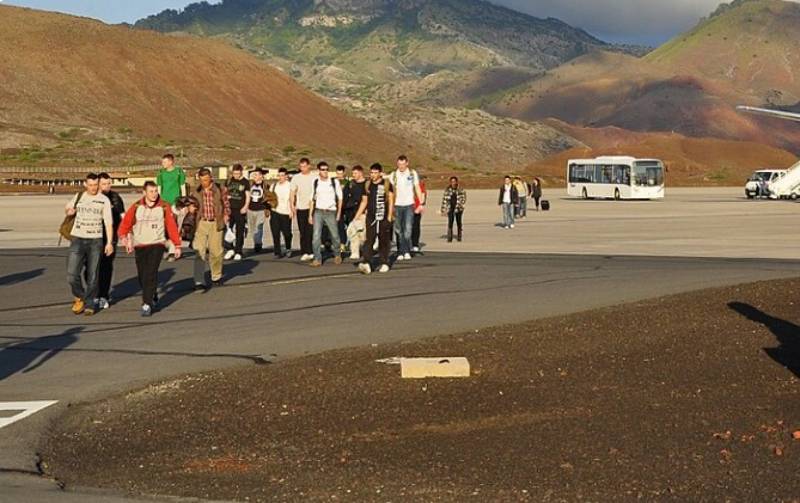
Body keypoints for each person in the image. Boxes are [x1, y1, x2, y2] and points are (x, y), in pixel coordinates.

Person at [118, 182, 182, 317]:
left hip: (157, 243)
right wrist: (124, 238)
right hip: (140, 245)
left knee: (151, 272)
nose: (154, 194)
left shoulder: (164, 206)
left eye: (155, 191)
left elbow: (171, 227)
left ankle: (146, 304)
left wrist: (177, 245)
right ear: (144, 192)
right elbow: (125, 224)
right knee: (142, 275)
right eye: (151, 191)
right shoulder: (136, 206)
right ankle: (152, 294)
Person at [65, 173, 115, 316]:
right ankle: (80, 296)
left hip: (95, 240)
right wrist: (70, 211)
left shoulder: (103, 200)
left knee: (93, 275)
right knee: (71, 274)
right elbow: (68, 208)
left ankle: (90, 303)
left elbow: (108, 222)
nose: (93, 188)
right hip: (78, 238)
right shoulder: (79, 196)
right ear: (85, 184)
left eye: (95, 185)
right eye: (91, 185)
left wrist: (109, 242)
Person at [193, 168, 230, 290]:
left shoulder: (220, 189)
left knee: (216, 252)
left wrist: (226, 215)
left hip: (216, 222)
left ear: (210, 178)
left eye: (206, 180)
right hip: (201, 223)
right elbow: (191, 203)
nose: (204, 182)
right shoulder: (196, 190)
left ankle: (216, 276)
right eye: (202, 180)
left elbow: (226, 204)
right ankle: (199, 280)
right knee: (199, 251)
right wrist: (190, 208)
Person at [356, 163, 394, 275]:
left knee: (383, 240)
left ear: (380, 173)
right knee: (369, 239)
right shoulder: (368, 185)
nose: (373, 175)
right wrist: (357, 215)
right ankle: (366, 261)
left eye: (375, 172)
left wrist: (389, 215)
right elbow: (364, 201)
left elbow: (391, 200)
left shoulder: (386, 184)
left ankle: (384, 262)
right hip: (371, 217)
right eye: (371, 172)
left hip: (383, 216)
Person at [95, 172, 125, 310]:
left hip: (110, 236)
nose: (107, 186)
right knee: (90, 267)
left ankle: (103, 295)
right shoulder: (92, 197)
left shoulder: (115, 197)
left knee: (106, 266)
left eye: (109, 183)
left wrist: (126, 234)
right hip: (93, 236)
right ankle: (93, 292)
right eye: (104, 184)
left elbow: (123, 216)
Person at [309, 161, 343, 267]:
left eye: (327, 169)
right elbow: (312, 200)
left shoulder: (334, 182)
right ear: (319, 171)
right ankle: (317, 258)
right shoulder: (316, 183)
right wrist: (310, 215)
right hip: (318, 211)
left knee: (335, 235)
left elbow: (340, 199)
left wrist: (338, 213)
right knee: (316, 236)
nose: (325, 171)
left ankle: (337, 254)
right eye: (323, 169)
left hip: (331, 211)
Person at [390, 155, 423, 261]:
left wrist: (420, 203)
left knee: (408, 229)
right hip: (397, 204)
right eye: (399, 164)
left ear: (407, 163)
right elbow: (389, 190)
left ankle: (406, 250)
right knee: (399, 229)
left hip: (409, 204)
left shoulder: (412, 174)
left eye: (403, 164)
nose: (401, 166)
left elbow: (417, 188)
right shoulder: (393, 175)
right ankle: (400, 251)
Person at [291, 158, 316, 262]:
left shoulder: (314, 177)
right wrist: (292, 205)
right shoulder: (296, 178)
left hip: (312, 207)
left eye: (304, 166)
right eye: (301, 166)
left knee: (311, 230)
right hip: (301, 207)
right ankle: (305, 251)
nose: (303, 168)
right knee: (302, 231)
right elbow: (292, 192)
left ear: (309, 166)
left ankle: (311, 251)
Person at [224, 164, 250, 261]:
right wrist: (226, 198)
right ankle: (230, 249)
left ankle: (238, 251)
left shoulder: (245, 182)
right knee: (228, 230)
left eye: (238, 174)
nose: (236, 175)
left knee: (240, 230)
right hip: (230, 209)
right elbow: (225, 192)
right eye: (234, 173)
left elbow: (248, 196)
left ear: (241, 172)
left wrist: (245, 206)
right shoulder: (229, 181)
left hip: (240, 209)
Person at [344, 166, 367, 260]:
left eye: (356, 173)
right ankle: (354, 251)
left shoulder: (366, 184)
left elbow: (367, 199)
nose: (354, 175)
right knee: (352, 232)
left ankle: (366, 248)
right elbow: (345, 196)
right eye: (353, 173)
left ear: (361, 173)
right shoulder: (351, 184)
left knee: (363, 234)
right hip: (352, 212)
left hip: (363, 212)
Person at [270, 168, 294, 258]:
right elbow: (270, 196)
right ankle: (277, 251)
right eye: (279, 175)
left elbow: (293, 199)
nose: (281, 177)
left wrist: (292, 210)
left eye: (283, 175)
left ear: (286, 176)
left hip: (286, 212)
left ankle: (288, 248)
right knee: (275, 232)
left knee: (287, 233)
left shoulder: (290, 186)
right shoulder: (274, 185)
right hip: (275, 211)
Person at [247, 168, 268, 254]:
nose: (256, 177)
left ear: (262, 176)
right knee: (252, 228)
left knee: (259, 227)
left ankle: (258, 244)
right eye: (255, 175)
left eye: (258, 175)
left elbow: (270, 197)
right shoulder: (250, 185)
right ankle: (256, 242)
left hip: (261, 209)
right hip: (250, 209)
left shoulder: (265, 186)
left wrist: (267, 208)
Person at [440, 176, 467, 242]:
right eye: (452, 182)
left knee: (459, 222)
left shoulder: (461, 189)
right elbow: (444, 200)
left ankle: (459, 236)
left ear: (456, 182)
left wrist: (460, 205)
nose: (453, 183)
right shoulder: (447, 190)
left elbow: (463, 199)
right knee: (450, 222)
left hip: (458, 208)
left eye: (454, 181)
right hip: (450, 208)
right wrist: (443, 209)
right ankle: (449, 237)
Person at [411, 173, 427, 254]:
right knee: (407, 227)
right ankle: (409, 243)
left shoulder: (421, 185)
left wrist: (421, 206)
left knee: (416, 226)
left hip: (417, 209)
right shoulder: (408, 185)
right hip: (408, 208)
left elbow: (423, 197)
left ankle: (415, 244)